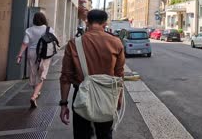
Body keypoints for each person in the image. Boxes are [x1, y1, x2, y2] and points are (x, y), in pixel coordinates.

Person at [59, 9, 125, 139]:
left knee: (81, 135)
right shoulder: (116, 42)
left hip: (81, 96)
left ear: (87, 22)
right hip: (107, 96)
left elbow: (65, 77)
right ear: (105, 23)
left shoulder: (74, 43)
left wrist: (64, 104)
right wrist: (119, 99)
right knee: (105, 134)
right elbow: (119, 75)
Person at [16, 12, 56, 108]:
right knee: (42, 74)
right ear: (44, 19)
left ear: (34, 19)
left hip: (32, 53)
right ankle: (34, 96)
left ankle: (36, 91)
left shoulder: (29, 30)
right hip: (45, 54)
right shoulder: (49, 29)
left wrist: (19, 55)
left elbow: (25, 43)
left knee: (33, 74)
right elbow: (54, 40)